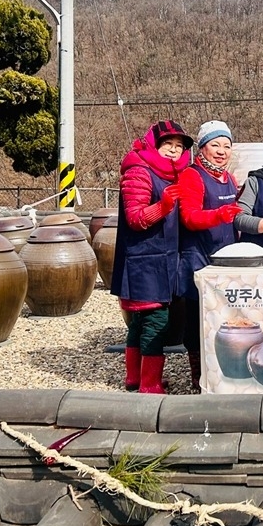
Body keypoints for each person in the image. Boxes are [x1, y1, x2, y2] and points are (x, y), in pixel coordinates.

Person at [110, 120, 194, 394]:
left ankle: (134, 378)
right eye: (167, 145)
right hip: (144, 261)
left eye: (178, 146)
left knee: (139, 323)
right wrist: (164, 205)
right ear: (153, 145)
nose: (173, 151)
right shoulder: (139, 171)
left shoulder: (172, 174)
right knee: (155, 322)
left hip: (160, 259)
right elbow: (135, 218)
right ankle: (150, 384)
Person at [177, 120, 242, 392]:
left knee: (222, 319)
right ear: (202, 148)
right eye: (215, 145)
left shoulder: (230, 178)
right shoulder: (192, 175)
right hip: (197, 257)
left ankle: (219, 368)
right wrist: (218, 215)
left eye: (226, 145)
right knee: (196, 319)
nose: (222, 151)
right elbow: (188, 217)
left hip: (225, 259)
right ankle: (197, 374)